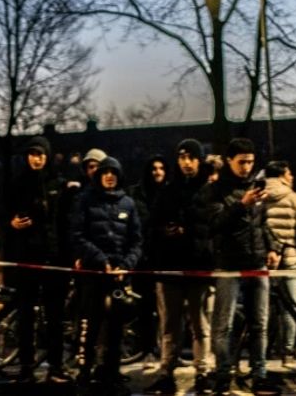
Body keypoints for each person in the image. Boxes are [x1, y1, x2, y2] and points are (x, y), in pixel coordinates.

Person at [197, 138, 278, 394]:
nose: (247, 167)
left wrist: (272, 247)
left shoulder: (256, 187)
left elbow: (262, 223)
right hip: (229, 263)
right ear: (229, 161)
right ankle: (223, 374)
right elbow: (214, 224)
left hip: (257, 260)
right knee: (223, 324)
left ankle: (260, 373)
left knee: (260, 323)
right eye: (242, 162)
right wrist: (241, 204)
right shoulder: (215, 189)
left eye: (251, 162)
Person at [144, 140, 213, 395]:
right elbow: (152, 225)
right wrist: (165, 232)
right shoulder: (168, 190)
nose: (186, 162)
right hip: (170, 268)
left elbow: (212, 227)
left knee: (199, 325)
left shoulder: (208, 190)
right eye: (182, 157)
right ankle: (166, 373)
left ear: (199, 160)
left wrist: (190, 234)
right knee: (170, 326)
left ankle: (203, 373)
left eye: (191, 157)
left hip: (198, 268)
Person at [70, 156, 142, 396]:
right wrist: (101, 260)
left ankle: (112, 375)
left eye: (114, 172)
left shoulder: (128, 204)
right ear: (99, 175)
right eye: (105, 172)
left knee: (116, 331)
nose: (110, 175)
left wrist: (125, 265)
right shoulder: (85, 201)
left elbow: (137, 241)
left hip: (119, 278)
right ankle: (83, 374)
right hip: (93, 276)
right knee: (88, 328)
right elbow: (78, 236)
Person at [6, 136, 72, 384]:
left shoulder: (59, 183)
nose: (36, 158)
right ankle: (26, 366)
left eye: (40, 154)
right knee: (26, 316)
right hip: (27, 258)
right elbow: (5, 214)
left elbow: (65, 224)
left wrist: (66, 256)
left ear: (47, 156)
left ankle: (55, 366)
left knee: (55, 316)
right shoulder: (18, 184)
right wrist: (12, 224)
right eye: (32, 154)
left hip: (53, 259)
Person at [262, 160, 296, 366]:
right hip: (291, 258)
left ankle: (262, 352)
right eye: (290, 173)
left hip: (265, 261)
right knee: (290, 308)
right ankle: (288, 353)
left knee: (262, 310)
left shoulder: (258, 197)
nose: (292, 177)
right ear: (282, 175)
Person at [127, 155, 167, 371]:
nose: (158, 172)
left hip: (164, 258)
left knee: (167, 309)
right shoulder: (137, 194)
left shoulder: (170, 192)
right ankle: (148, 349)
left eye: (161, 168)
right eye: (154, 168)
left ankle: (166, 350)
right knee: (145, 307)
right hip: (143, 259)